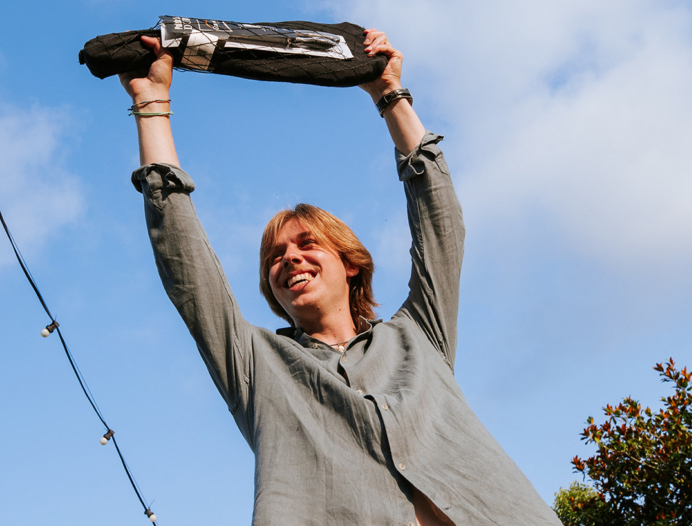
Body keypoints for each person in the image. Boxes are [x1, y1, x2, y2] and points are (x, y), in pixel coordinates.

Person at [120, 30, 560, 525]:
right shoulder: (257, 365)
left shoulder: (419, 335)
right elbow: (186, 268)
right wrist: (152, 104)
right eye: (275, 257)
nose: (289, 259)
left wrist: (389, 93)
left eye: (307, 245)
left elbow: (441, 224)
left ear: (351, 263)